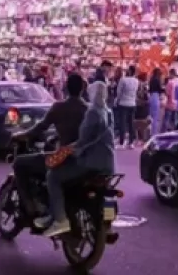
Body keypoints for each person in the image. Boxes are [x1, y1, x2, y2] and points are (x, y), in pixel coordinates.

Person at [39, 80, 116, 238]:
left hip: (90, 162)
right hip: (108, 164)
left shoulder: (93, 112)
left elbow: (84, 140)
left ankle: (60, 219)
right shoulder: (108, 111)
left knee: (53, 176)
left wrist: (68, 150)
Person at [11, 73, 88, 219]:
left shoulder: (59, 107)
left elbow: (40, 128)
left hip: (64, 159)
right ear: (83, 89)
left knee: (19, 163)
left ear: (66, 87)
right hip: (83, 158)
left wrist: (20, 135)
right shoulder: (88, 109)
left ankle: (30, 205)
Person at [115, 65, 139, 148]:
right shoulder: (136, 81)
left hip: (123, 103)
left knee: (122, 123)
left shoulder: (123, 80)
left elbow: (119, 92)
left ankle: (122, 142)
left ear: (129, 71)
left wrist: (117, 101)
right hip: (132, 104)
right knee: (131, 123)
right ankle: (131, 142)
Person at [134, 72, 151, 144]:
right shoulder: (144, 85)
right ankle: (143, 138)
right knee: (144, 121)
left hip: (137, 104)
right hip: (143, 104)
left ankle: (137, 137)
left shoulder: (137, 83)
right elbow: (146, 96)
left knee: (137, 120)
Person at [147, 68, 164, 137]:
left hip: (151, 97)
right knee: (155, 116)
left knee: (150, 116)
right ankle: (154, 134)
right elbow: (160, 89)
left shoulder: (151, 79)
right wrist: (164, 89)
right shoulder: (157, 80)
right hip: (155, 96)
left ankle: (149, 132)